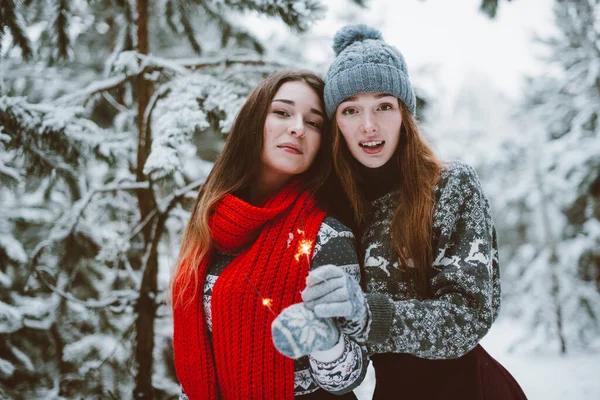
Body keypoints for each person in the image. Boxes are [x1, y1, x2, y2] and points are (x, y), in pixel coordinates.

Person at [301, 25, 528, 399]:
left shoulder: (449, 185)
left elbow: (467, 316)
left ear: (404, 112)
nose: (369, 125)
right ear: (335, 122)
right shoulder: (334, 207)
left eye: (384, 106)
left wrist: (371, 315)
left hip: (469, 388)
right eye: (351, 109)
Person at [170, 70, 367, 400]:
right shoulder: (210, 223)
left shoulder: (327, 237)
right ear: (253, 122)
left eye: (314, 122)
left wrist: (324, 337)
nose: (298, 128)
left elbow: (347, 377)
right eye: (282, 112)